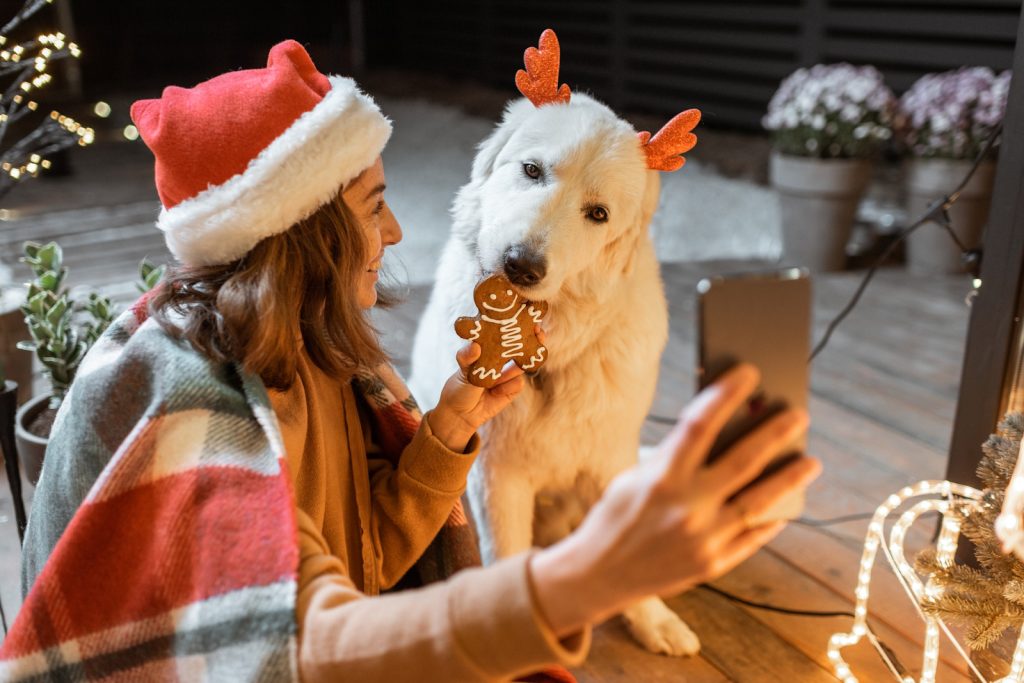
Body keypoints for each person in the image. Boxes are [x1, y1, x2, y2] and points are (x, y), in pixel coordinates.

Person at [4, 42, 820, 683]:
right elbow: (305, 643)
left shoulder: (321, 356)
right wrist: (580, 577)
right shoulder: (200, 399)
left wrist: (449, 426)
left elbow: (359, 559)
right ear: (302, 231)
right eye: (374, 206)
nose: (397, 234)